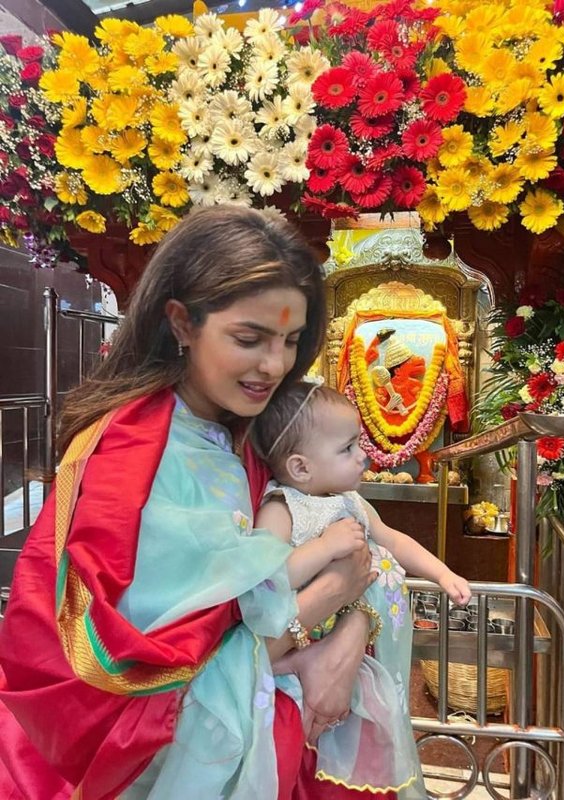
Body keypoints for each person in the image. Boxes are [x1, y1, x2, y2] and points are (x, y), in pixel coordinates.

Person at [0, 205, 381, 800]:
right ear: (181, 323)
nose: (275, 365)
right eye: (249, 339)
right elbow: (150, 670)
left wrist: (353, 627)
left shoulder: (251, 434)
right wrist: (334, 602)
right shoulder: (129, 460)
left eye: (290, 340)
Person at [252, 380, 472, 795]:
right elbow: (270, 576)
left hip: (355, 653)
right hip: (297, 658)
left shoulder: (352, 502)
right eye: (348, 448)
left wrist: (443, 574)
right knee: (309, 754)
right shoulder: (280, 508)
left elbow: (394, 540)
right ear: (300, 466)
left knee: (361, 738)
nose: (362, 457)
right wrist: (323, 549)